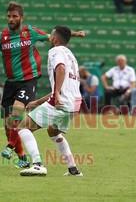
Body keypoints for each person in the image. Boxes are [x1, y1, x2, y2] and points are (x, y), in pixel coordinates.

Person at [0, 1, 85, 168]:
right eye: (9, 16)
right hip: (11, 82)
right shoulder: (0, 37)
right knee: (9, 124)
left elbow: (53, 37)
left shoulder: (30, 32)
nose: (11, 19)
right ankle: (23, 158)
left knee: (18, 113)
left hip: (28, 80)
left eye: (14, 16)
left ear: (21, 18)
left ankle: (15, 149)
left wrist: (74, 34)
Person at [17, 26, 83, 177]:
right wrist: (38, 102)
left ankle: (38, 165)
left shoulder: (56, 51)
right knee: (53, 132)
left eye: (51, 35)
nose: (49, 37)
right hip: (74, 103)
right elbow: (62, 84)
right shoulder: (71, 56)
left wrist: (57, 95)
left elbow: (60, 69)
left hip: (61, 102)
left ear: (55, 39)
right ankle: (73, 170)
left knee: (23, 127)